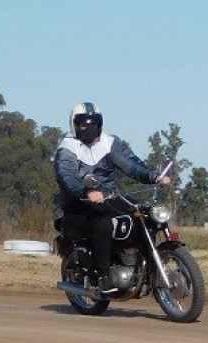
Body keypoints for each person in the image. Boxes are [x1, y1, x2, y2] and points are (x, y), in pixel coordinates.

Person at [54, 102, 171, 294]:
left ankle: (142, 266)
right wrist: (86, 192)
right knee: (103, 224)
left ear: (100, 123)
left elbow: (131, 165)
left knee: (144, 214)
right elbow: (67, 176)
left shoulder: (109, 143)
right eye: (83, 124)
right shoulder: (67, 148)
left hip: (107, 199)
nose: (89, 128)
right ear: (74, 124)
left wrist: (153, 176)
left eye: (94, 123)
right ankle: (103, 276)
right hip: (78, 204)